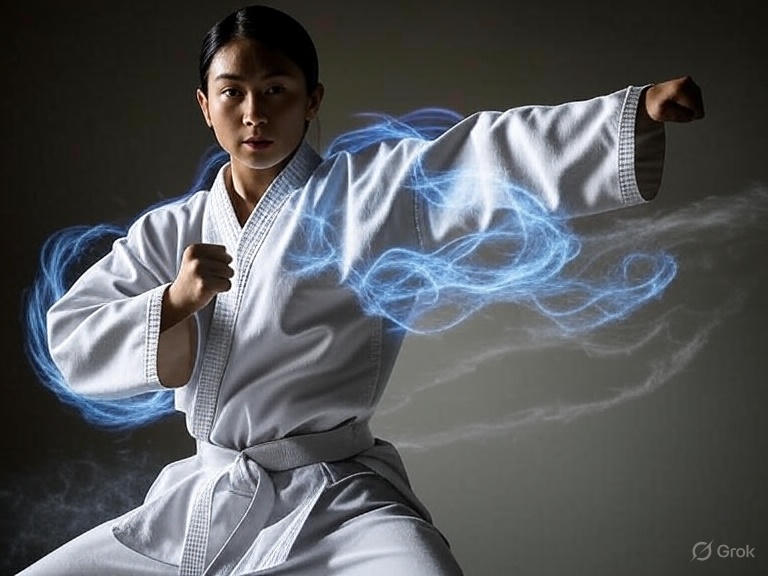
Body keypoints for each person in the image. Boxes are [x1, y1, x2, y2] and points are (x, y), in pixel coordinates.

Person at [18, 4, 704, 576]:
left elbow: (484, 155)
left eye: (276, 89)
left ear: (311, 100)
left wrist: (634, 113)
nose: (254, 111)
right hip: (204, 495)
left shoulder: (371, 194)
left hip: (336, 500)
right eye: (232, 91)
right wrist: (174, 302)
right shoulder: (171, 233)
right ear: (205, 106)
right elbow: (72, 332)